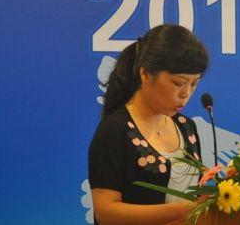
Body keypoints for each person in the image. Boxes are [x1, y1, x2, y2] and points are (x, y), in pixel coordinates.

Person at [88, 24, 209, 225]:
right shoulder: (114, 130)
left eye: (194, 83)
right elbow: (106, 212)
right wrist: (182, 211)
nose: (186, 93)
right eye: (178, 83)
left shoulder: (186, 127)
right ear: (145, 74)